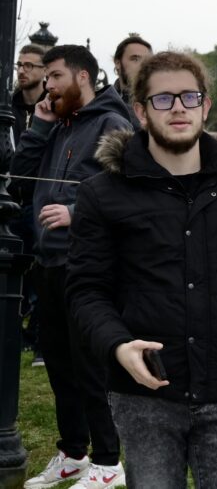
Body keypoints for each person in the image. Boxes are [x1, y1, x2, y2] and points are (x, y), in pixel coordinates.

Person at [65, 51, 217, 488]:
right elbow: (85, 290)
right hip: (146, 395)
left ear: (206, 106)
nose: (178, 107)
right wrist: (118, 345)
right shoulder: (103, 194)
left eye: (189, 97)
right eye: (163, 99)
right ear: (140, 111)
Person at [13, 45, 133, 489]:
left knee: (90, 366)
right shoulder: (57, 124)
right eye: (45, 78)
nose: (48, 86)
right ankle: (72, 453)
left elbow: (129, 189)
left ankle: (108, 462)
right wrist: (40, 127)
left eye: (56, 76)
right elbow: (20, 182)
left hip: (89, 265)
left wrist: (76, 211)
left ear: (83, 77)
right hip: (51, 261)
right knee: (60, 364)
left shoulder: (112, 123)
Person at [12, 43, 47, 364]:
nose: (22, 70)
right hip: (10, 200)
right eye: (19, 65)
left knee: (39, 273)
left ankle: (38, 338)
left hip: (38, 201)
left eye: (30, 65)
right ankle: (14, 335)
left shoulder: (52, 109)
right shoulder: (8, 110)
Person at [111, 33, 153, 109]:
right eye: (135, 59)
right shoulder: (104, 103)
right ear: (118, 63)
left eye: (147, 61)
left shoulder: (160, 102)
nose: (142, 66)